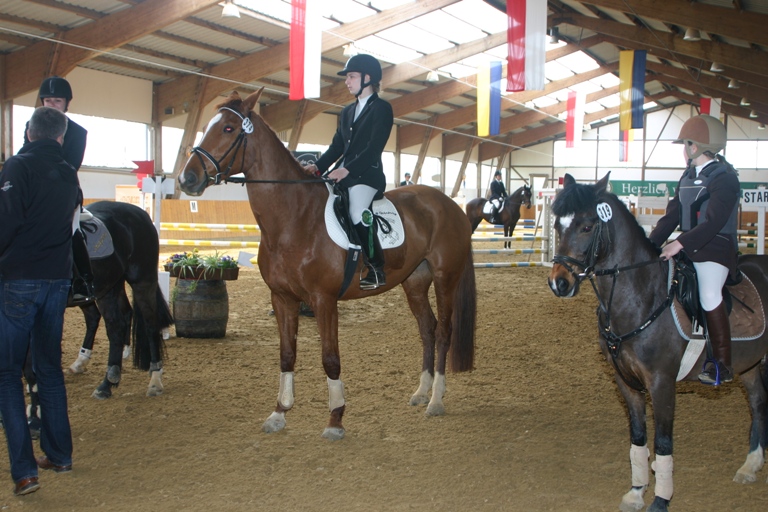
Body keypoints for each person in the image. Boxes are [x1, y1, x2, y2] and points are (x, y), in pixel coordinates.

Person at [0, 107, 78, 496]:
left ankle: (25, 471)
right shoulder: (69, 172)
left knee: (6, 374)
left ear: (29, 132)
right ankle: (60, 454)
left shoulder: (17, 166)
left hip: (20, 280)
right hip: (57, 281)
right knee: (49, 368)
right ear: (60, 137)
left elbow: (7, 223)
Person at [649, 114, 740, 386]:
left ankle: (721, 364)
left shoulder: (725, 179)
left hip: (716, 248)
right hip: (689, 247)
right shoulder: (687, 176)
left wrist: (679, 243)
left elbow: (713, 222)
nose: (684, 149)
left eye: (685, 144)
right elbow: (671, 217)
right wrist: (650, 246)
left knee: (710, 294)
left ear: (695, 146)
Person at [305, 54, 394, 290]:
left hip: (366, 176)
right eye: (347, 77)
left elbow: (373, 148)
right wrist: (318, 167)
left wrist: (347, 170)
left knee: (357, 211)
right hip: (342, 174)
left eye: (351, 76)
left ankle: (375, 267)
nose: (347, 81)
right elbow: (337, 147)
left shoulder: (382, 109)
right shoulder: (346, 112)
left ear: (368, 78)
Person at [24, 76, 93, 307]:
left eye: (57, 101)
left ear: (66, 104)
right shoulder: (31, 125)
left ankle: (83, 280)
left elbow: (71, 165)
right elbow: (25, 155)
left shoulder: (78, 133)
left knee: (73, 228)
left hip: (63, 189)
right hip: (33, 188)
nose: (52, 105)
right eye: (48, 101)